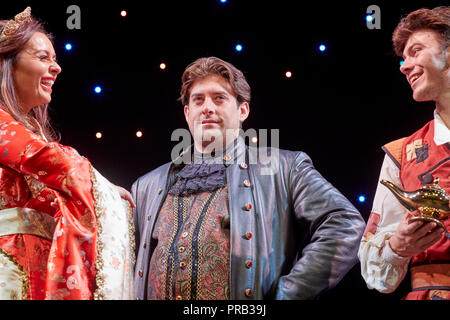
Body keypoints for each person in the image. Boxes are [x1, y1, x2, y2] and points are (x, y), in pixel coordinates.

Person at [132, 56, 365, 300]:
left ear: (243, 110)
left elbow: (344, 222)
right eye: (198, 99)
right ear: (188, 113)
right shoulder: (146, 185)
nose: (207, 107)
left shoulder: (283, 167)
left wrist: (288, 295)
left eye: (219, 98)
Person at [0, 7, 135, 300]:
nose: (56, 67)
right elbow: (51, 160)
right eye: (43, 57)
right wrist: (104, 188)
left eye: (56, 59)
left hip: (36, 270)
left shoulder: (33, 131)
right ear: (6, 63)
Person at [359, 7, 450, 300]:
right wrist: (397, 246)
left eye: (416, 50)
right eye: (403, 57)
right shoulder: (401, 154)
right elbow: (375, 273)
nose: (403, 65)